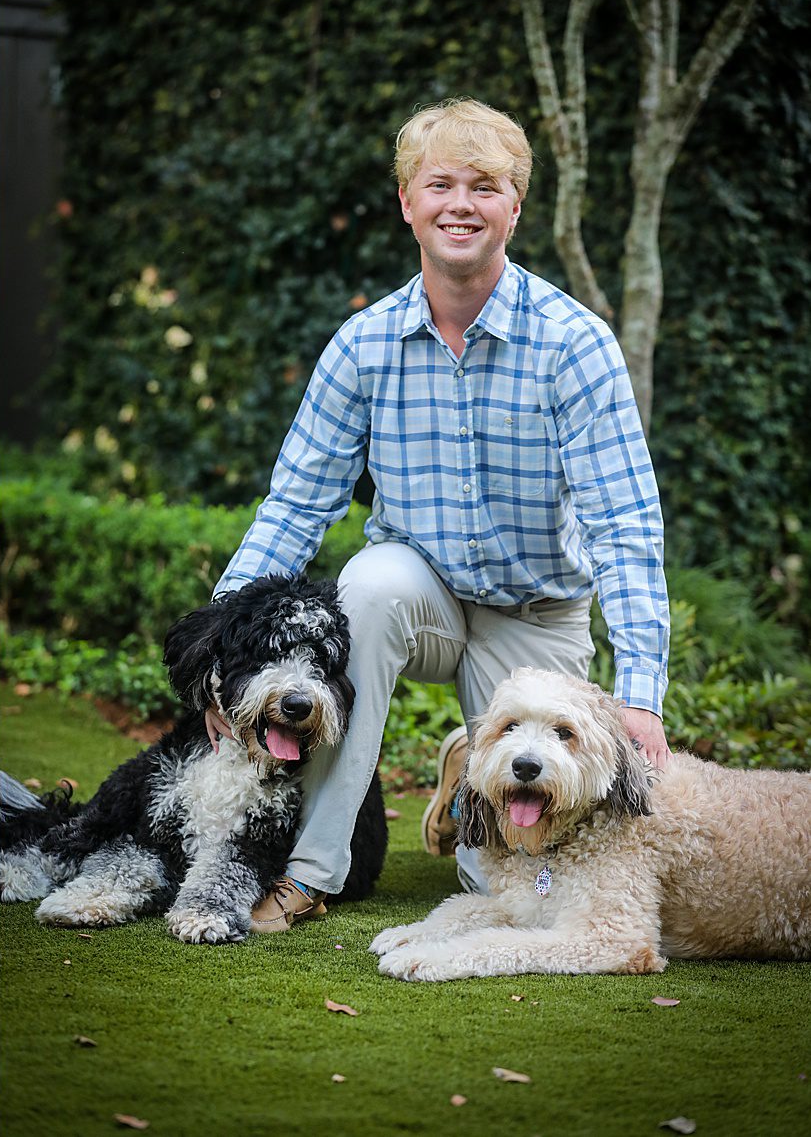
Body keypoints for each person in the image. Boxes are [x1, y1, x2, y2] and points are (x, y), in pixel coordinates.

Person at [208, 98, 671, 932]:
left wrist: (639, 694)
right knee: (365, 585)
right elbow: (296, 504)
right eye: (440, 184)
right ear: (408, 203)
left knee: (503, 879)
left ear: (514, 207)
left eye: (485, 186)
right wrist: (217, 648)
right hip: (416, 595)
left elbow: (624, 525)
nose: (461, 203)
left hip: (534, 610)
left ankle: (472, 759)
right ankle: (310, 870)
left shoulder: (574, 344)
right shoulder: (363, 345)